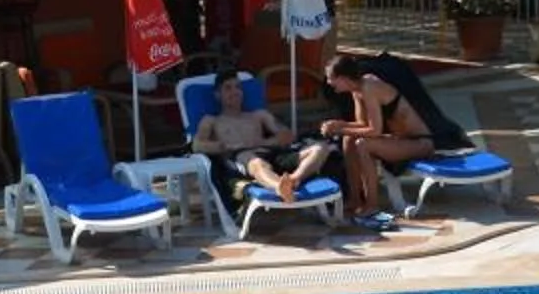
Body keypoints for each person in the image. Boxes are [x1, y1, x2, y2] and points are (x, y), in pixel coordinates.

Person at [319, 51, 464, 216]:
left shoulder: (369, 87)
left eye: (332, 78)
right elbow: (362, 124)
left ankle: (372, 204)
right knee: (348, 139)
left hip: (419, 142)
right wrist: (339, 125)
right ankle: (355, 199)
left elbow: (375, 130)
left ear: (344, 77)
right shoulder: (356, 90)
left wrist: (339, 128)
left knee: (363, 145)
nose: (329, 83)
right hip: (399, 139)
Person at [192, 72, 334, 209]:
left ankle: (293, 180)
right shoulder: (211, 120)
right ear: (218, 95)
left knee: (320, 148)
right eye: (228, 88)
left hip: (272, 153)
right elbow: (197, 145)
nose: (234, 91)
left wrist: (260, 142)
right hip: (242, 157)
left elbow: (287, 136)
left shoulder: (258, 115)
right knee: (256, 162)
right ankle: (279, 186)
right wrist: (226, 146)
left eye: (238, 87)